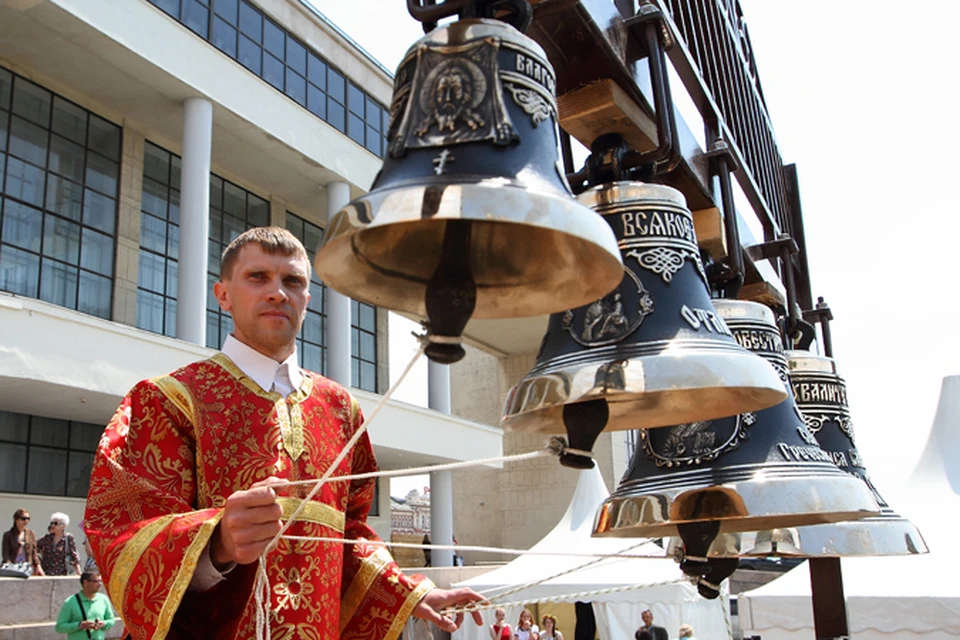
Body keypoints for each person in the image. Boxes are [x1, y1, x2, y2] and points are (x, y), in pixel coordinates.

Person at [84, 227, 483, 639]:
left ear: (307, 302)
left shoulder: (340, 408)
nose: (278, 293)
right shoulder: (169, 400)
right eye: (258, 277)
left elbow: (349, 537)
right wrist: (215, 542)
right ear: (223, 295)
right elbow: (118, 534)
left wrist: (409, 593)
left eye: (292, 281)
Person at [54, 570, 116, 639]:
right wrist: (80, 625)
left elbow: (111, 620)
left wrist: (103, 624)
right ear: (85, 582)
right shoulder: (70, 602)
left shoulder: (103, 599)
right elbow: (59, 627)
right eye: (96, 581)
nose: (100, 584)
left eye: (100, 581)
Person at [1, 508, 42, 576]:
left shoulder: (31, 534)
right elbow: (5, 554)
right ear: (16, 519)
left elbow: (34, 552)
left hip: (27, 567)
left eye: (28, 518)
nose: (26, 521)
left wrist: (38, 566)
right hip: (13, 567)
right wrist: (10, 566)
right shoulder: (8, 535)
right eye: (23, 518)